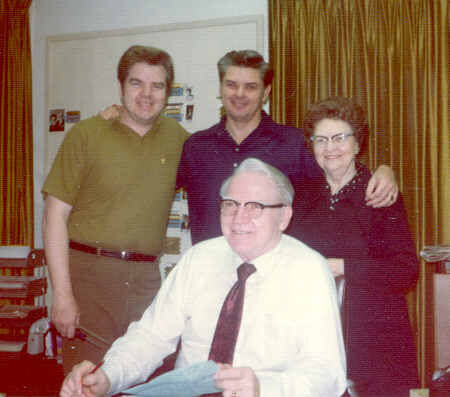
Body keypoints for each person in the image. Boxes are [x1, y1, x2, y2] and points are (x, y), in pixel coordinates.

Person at [60, 158, 347, 397]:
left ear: (284, 217)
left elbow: (327, 373)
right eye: (230, 204)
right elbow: (151, 336)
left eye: (254, 207)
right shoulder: (199, 259)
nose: (238, 218)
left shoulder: (309, 270)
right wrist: (109, 376)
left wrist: (263, 388)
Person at [101, 49, 399, 246]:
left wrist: (384, 171)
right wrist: (123, 118)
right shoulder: (194, 147)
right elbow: (148, 182)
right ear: (220, 88)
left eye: (251, 86)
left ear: (266, 92)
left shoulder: (294, 143)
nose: (239, 94)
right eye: (231, 84)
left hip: (274, 284)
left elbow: (339, 176)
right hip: (211, 280)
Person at [42, 45, 189, 374]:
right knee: (86, 381)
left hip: (146, 284)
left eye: (158, 86)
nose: (147, 95)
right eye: (137, 83)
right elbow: (54, 216)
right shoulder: (86, 135)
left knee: (144, 381)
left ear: (168, 92)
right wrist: (62, 295)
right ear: (121, 86)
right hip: (89, 281)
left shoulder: (178, 139)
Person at [287, 97, 419, 396]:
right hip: (317, 336)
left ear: (358, 143)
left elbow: (406, 271)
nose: (330, 147)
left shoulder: (381, 193)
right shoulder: (303, 195)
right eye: (320, 140)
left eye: (339, 138)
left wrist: (341, 267)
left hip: (374, 341)